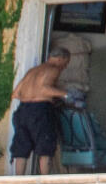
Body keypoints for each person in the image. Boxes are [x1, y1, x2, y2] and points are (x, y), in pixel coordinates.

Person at [10, 49, 75, 177]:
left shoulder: (32, 71)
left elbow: (15, 94)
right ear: (60, 59)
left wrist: (32, 96)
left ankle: (17, 180)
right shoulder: (53, 69)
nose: (65, 66)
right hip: (40, 111)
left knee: (21, 148)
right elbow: (44, 89)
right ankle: (45, 181)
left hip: (22, 111)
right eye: (66, 63)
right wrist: (66, 94)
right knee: (45, 148)